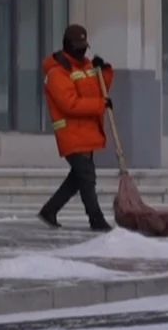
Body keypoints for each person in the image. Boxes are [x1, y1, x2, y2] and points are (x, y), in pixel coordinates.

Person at [39, 24, 115, 231]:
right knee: (87, 177)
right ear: (67, 46)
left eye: (84, 46)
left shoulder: (86, 66)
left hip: (87, 132)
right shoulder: (57, 73)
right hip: (71, 134)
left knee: (78, 178)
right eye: (78, 46)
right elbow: (69, 104)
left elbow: (100, 87)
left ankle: (49, 210)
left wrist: (105, 70)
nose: (82, 51)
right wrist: (100, 105)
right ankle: (96, 219)